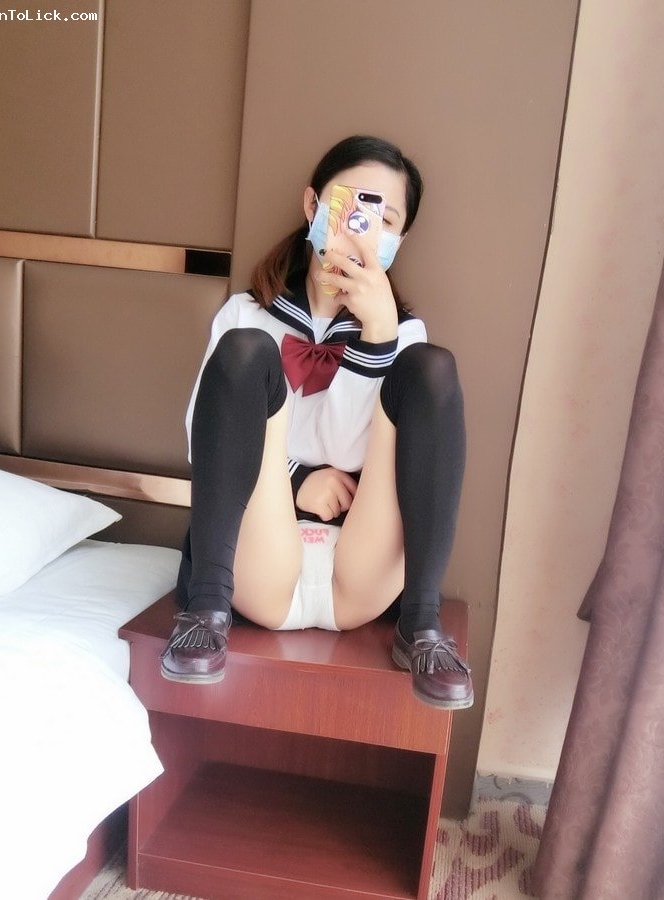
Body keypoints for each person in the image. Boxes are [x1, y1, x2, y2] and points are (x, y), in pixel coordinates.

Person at [160, 135, 472, 710]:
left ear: (399, 239)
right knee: (246, 350)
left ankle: (422, 625)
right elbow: (202, 441)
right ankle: (205, 612)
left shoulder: (404, 334)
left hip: (362, 567)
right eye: (351, 206)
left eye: (384, 219)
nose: (362, 229)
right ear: (313, 207)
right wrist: (299, 477)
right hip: (256, 562)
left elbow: (355, 453)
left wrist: (377, 337)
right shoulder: (246, 314)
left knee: (431, 367)